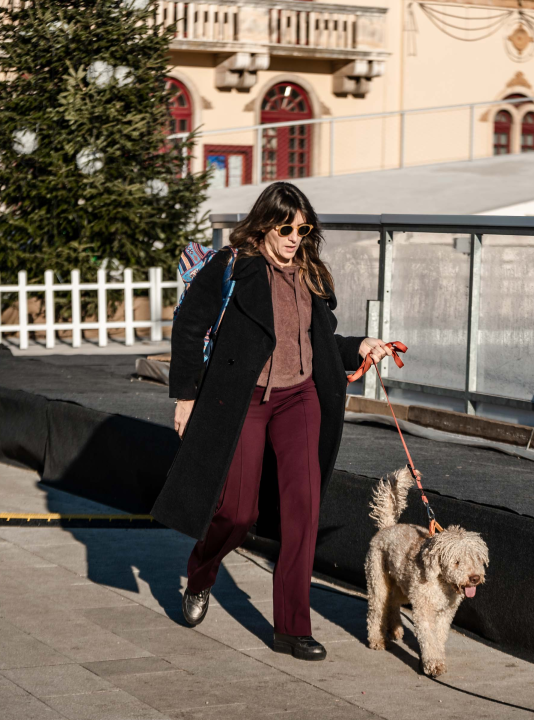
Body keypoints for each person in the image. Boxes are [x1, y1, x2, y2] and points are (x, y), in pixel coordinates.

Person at [151, 182, 390, 661]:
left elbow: (321, 340)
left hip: (300, 398)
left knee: (303, 509)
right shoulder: (233, 267)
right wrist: (185, 398)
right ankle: (202, 570)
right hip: (245, 401)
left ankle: (291, 628)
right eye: (285, 228)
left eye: (303, 230)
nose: (293, 239)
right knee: (236, 513)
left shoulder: (310, 275)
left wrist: (359, 346)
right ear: (265, 224)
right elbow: (190, 327)